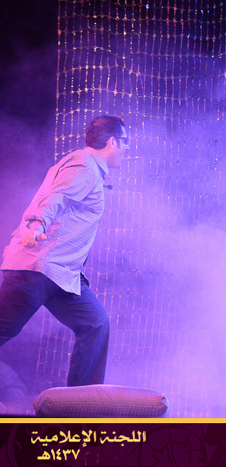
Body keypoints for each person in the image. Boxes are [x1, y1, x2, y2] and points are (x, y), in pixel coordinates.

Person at [0, 115, 129, 387]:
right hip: (36, 269)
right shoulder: (85, 165)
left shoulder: (88, 168)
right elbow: (56, 196)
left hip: (60, 276)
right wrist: (36, 224)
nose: (127, 148)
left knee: (96, 323)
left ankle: (81, 401)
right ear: (113, 142)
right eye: (126, 142)